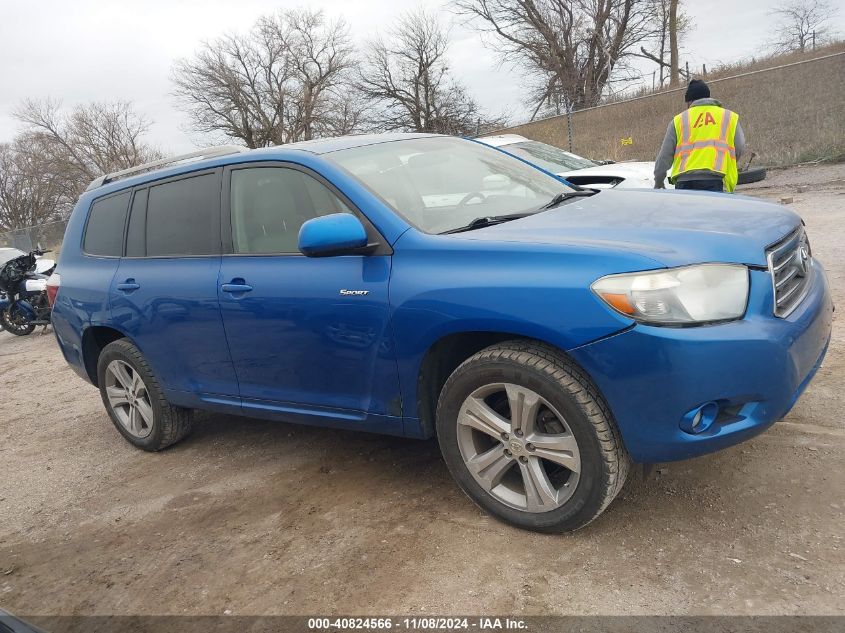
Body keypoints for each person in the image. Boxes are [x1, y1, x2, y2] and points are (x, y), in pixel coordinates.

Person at [654, 79, 745, 192]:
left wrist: (659, 181)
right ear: (708, 97)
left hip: (684, 182)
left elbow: (665, 155)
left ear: (689, 101)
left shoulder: (679, 120)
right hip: (715, 179)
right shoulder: (728, 116)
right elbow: (740, 146)